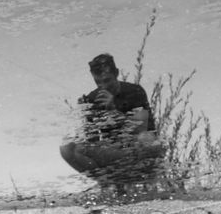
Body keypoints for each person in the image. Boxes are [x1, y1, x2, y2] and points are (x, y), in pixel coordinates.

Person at [59, 53, 163, 189]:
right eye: (98, 82)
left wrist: (114, 110)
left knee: (147, 138)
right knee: (67, 148)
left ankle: (132, 182)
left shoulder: (134, 92)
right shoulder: (93, 98)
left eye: (107, 80)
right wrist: (87, 118)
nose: (103, 86)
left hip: (137, 151)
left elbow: (141, 130)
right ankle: (107, 182)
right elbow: (92, 140)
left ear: (116, 74)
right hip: (112, 151)